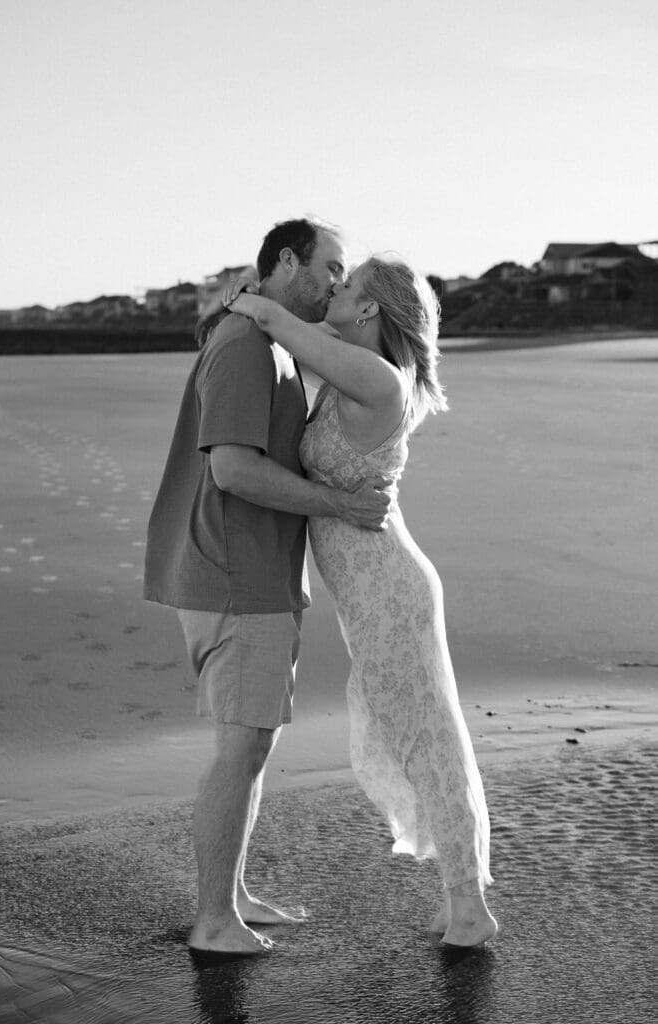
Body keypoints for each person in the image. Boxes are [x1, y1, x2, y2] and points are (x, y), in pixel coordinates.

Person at [224, 254, 498, 947]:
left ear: (371, 310)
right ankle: (461, 896)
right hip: (372, 587)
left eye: (346, 287)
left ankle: (468, 906)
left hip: (388, 587)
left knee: (425, 736)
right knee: (416, 733)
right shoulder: (355, 371)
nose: (335, 292)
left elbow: (279, 325)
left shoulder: (374, 375)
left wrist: (250, 299)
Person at [143, 218, 392, 956]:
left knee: (250, 746)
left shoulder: (267, 341)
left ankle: (232, 895)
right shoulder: (247, 348)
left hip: (251, 574)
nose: (336, 283)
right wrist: (343, 505)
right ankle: (214, 920)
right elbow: (233, 470)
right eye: (330, 267)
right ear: (286, 261)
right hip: (232, 575)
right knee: (239, 746)